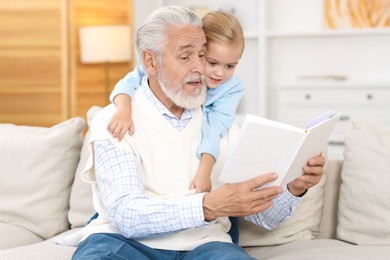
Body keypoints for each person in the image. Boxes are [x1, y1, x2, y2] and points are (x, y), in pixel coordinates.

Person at [72, 6, 325, 260]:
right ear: (151, 61)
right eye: (185, 57)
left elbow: (262, 216)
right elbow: (127, 216)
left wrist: (295, 187)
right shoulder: (114, 121)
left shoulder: (223, 123)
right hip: (124, 244)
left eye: (203, 55)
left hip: (206, 246)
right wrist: (207, 206)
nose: (199, 68)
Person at [107, 11, 245, 194]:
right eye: (211, 62)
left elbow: (214, 130)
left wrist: (204, 172)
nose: (219, 73)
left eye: (230, 66)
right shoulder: (113, 122)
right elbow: (129, 81)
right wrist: (124, 109)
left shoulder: (229, 91)